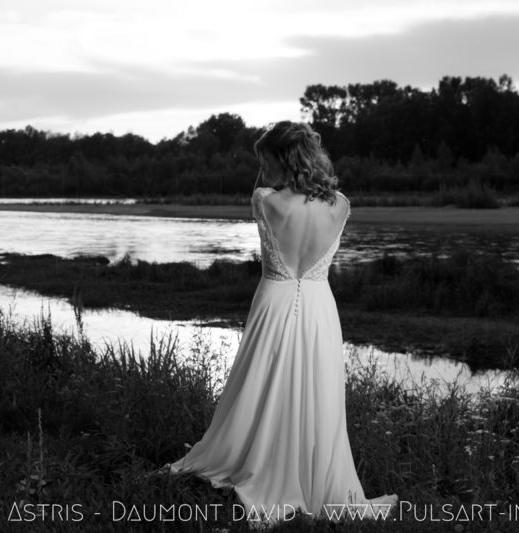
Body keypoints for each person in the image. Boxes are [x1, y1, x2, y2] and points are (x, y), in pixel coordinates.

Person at [161, 121, 398, 527]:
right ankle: (306, 472)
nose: (262, 168)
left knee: (260, 383)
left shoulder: (265, 200)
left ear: (283, 159)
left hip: (274, 300)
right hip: (321, 308)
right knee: (313, 388)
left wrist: (271, 179)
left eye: (265, 159)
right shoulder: (340, 204)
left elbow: (269, 194)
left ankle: (260, 460)